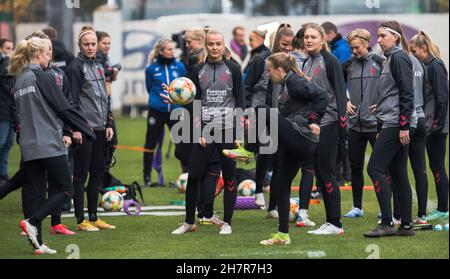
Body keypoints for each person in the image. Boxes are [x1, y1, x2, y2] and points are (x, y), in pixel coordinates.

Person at [11, 36, 95, 254]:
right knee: (66, 189)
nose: (51, 56)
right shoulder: (42, 76)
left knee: (37, 194)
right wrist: (86, 130)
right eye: (48, 53)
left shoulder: (20, 79)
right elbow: (63, 108)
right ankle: (34, 221)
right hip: (49, 143)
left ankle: (38, 244)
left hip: (29, 146)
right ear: (38, 54)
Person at [169, 29, 245, 235]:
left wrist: (238, 132)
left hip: (228, 129)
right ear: (206, 45)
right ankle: (189, 222)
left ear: (223, 45)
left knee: (230, 178)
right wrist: (198, 131)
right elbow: (194, 103)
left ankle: (227, 223)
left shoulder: (234, 69)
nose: (214, 47)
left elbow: (241, 100)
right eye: (210, 44)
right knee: (193, 176)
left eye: (218, 44)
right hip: (205, 131)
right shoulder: (197, 69)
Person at [257, 52, 328, 245]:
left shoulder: (294, 81)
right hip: (295, 140)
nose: (268, 74)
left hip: (302, 137)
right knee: (279, 186)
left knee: (262, 110)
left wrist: (314, 120)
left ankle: (248, 150)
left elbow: (322, 95)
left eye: (269, 70)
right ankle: (282, 235)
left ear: (279, 70)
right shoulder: (285, 84)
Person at [364, 21, 415, 238]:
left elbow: (407, 92)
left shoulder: (399, 57)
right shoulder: (391, 59)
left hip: (396, 124)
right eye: (378, 36)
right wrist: (382, 106)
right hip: (393, 121)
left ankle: (386, 222)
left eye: (383, 35)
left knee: (374, 168)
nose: (379, 40)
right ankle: (406, 226)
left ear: (395, 37)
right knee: (398, 174)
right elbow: (394, 93)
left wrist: (403, 125)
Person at [66, 25, 116, 232]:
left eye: (93, 44)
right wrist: (75, 128)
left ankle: (94, 217)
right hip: (84, 129)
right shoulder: (75, 67)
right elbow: (71, 101)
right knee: (80, 174)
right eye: (86, 44)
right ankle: (80, 220)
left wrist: (109, 123)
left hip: (100, 129)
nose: (90, 47)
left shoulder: (98, 66)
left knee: (97, 173)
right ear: (80, 45)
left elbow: (105, 98)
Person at [302, 23, 347, 235]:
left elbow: (339, 93)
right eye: (306, 37)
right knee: (319, 174)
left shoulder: (331, 61)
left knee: (327, 174)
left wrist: (341, 125)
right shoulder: (306, 62)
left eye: (313, 37)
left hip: (328, 124)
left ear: (322, 39)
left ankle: (336, 223)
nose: (308, 40)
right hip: (312, 126)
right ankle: (330, 221)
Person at [342, 29, 385, 218]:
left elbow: (393, 86)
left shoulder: (381, 62)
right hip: (354, 125)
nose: (353, 51)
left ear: (367, 44)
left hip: (376, 125)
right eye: (351, 48)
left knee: (382, 168)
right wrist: (344, 101)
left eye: (357, 47)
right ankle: (357, 207)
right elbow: (334, 86)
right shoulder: (348, 65)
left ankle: (386, 208)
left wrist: (382, 104)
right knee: (356, 167)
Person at [410, 31, 449, 221]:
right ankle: (442, 206)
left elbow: (442, 97)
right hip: (431, 122)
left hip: (437, 125)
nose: (413, 54)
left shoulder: (435, 65)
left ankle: (443, 207)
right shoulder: (427, 65)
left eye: (414, 51)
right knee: (434, 165)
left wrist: (437, 123)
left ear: (424, 48)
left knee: (437, 165)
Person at [143, 38, 187, 187]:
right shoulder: (151, 69)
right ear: (161, 51)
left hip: (175, 110)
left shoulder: (179, 67)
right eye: (168, 49)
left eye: (172, 49)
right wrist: (158, 102)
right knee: (150, 142)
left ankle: (185, 175)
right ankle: (147, 177)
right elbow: (150, 88)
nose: (171, 52)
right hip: (156, 111)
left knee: (181, 142)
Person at [242, 29, 271, 209]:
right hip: (257, 113)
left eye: (251, 39)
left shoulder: (261, 57)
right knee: (261, 151)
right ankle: (262, 187)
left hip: (271, 113)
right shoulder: (258, 58)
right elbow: (247, 86)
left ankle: (267, 187)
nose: (249, 42)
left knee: (267, 151)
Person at [0, 38, 15, 184]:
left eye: (11, 48)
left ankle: (3, 174)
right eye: (7, 48)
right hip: (3, 112)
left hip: (11, 112)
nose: (9, 51)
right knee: (1, 142)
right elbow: (8, 87)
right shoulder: (4, 65)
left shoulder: (11, 64)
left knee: (9, 143)